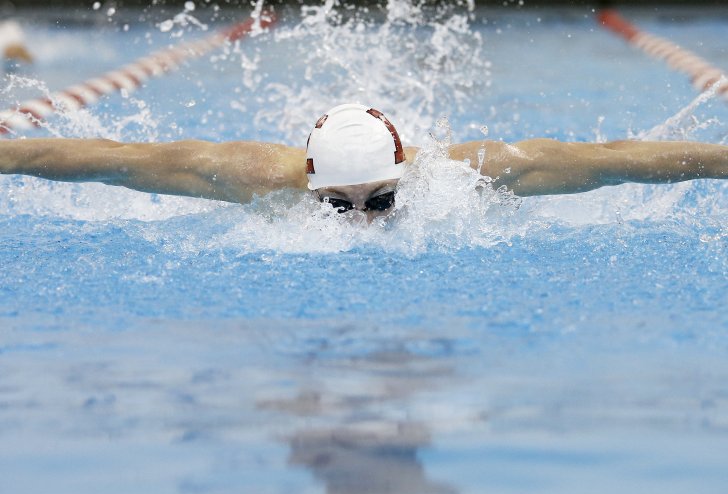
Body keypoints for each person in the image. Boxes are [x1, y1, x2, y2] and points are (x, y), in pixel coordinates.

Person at [0, 103, 726, 220]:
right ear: (307, 181)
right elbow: (108, 160)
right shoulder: (254, 176)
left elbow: (614, 161)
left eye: (379, 202)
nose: (358, 220)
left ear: (404, 173)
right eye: (335, 205)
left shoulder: (471, 171)